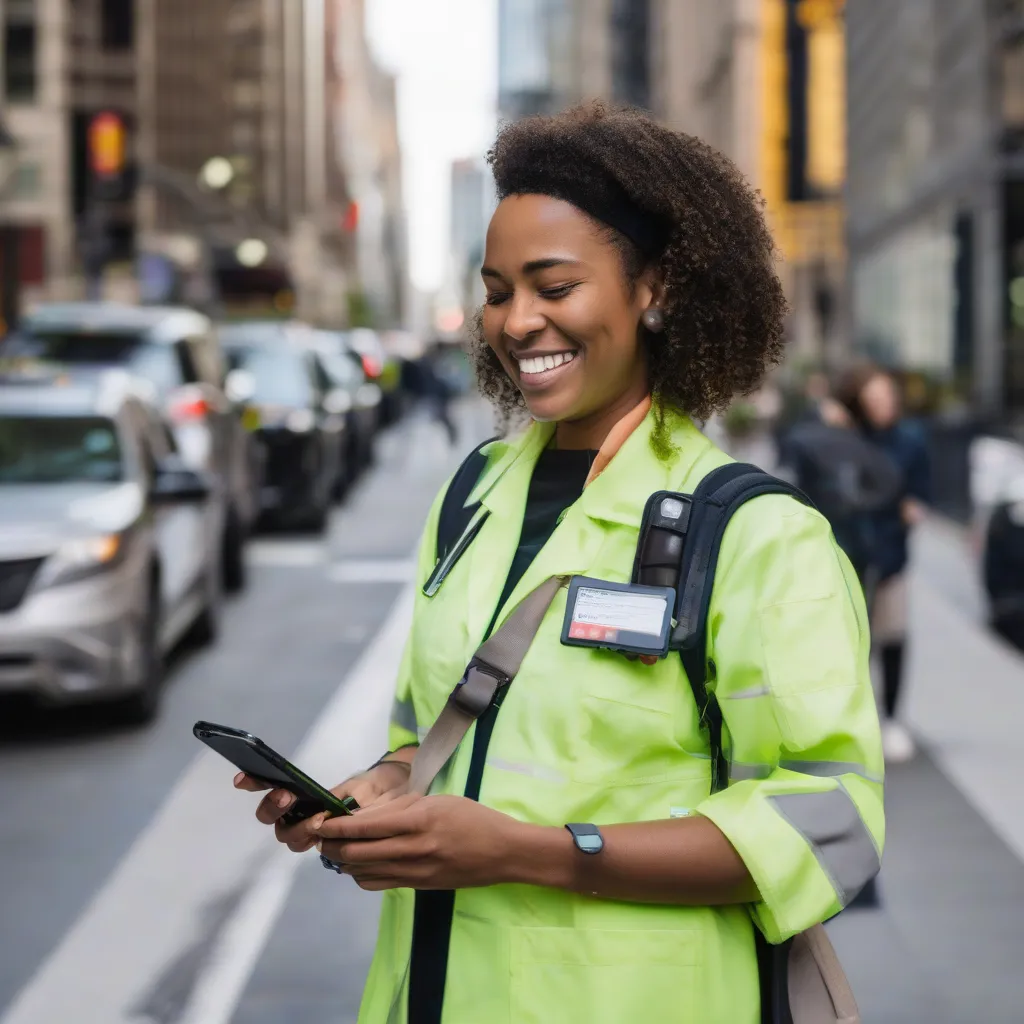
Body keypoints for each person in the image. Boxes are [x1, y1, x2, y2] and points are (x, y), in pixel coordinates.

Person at [234, 103, 884, 1024]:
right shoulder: (472, 495)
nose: (518, 320)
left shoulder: (761, 535)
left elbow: (834, 829)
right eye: (498, 290)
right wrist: (377, 790)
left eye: (555, 285)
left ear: (653, 287)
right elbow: (437, 734)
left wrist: (527, 852)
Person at [835, 364, 930, 764]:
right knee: (850, 643)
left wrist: (913, 507)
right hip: (849, 554)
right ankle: (852, 724)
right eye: (873, 398)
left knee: (892, 637)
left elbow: (920, 493)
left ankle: (890, 719)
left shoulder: (910, 441)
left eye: (886, 396)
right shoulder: (845, 437)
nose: (882, 405)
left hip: (890, 554)